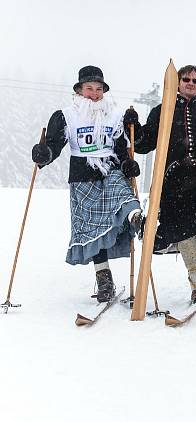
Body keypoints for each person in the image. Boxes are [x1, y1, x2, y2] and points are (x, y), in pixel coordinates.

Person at [32, 66, 142, 302]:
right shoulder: (66, 116)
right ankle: (105, 281)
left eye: (99, 89)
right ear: (79, 90)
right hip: (83, 177)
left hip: (109, 169)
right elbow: (54, 145)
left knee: (122, 192)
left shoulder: (114, 115)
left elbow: (123, 150)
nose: (94, 93)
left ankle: (136, 218)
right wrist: (44, 153)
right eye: (89, 88)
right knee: (93, 233)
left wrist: (127, 164)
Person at [124, 65, 196, 304]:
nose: (190, 83)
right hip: (174, 183)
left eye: (195, 81)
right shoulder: (162, 111)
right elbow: (145, 144)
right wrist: (133, 129)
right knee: (183, 233)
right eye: (186, 79)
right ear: (177, 83)